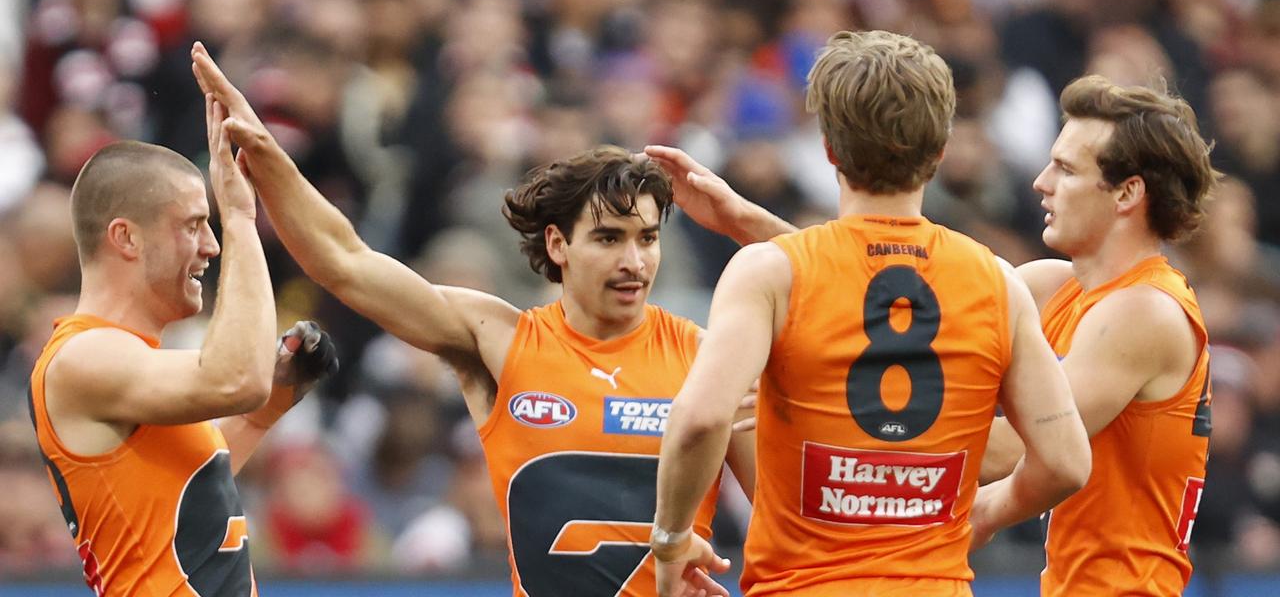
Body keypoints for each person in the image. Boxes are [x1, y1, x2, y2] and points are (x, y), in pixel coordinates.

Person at [189, 43, 755, 597]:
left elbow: (786, 521)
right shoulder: (500, 339)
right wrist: (263, 151)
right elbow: (346, 263)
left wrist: (746, 221)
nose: (634, 262)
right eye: (609, 238)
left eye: (648, 239)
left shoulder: (708, 358)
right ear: (558, 244)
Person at [648, 30, 1092, 597]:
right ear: (939, 153)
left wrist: (671, 541)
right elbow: (1065, 462)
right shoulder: (997, 283)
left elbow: (701, 420)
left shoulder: (771, 272)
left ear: (829, 148)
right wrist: (978, 515)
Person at [27, 44, 337, 597]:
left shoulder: (135, 366)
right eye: (194, 225)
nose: (212, 245)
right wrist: (241, 215)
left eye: (211, 224)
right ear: (125, 237)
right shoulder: (81, 358)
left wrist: (270, 406)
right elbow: (234, 379)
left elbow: (190, 490)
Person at [978, 75, 1219, 596]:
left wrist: (871, 450)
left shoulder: (1144, 311)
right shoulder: (1051, 286)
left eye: (1065, 169)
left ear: (1129, 192)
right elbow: (909, 298)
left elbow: (1017, 450)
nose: (1040, 182)